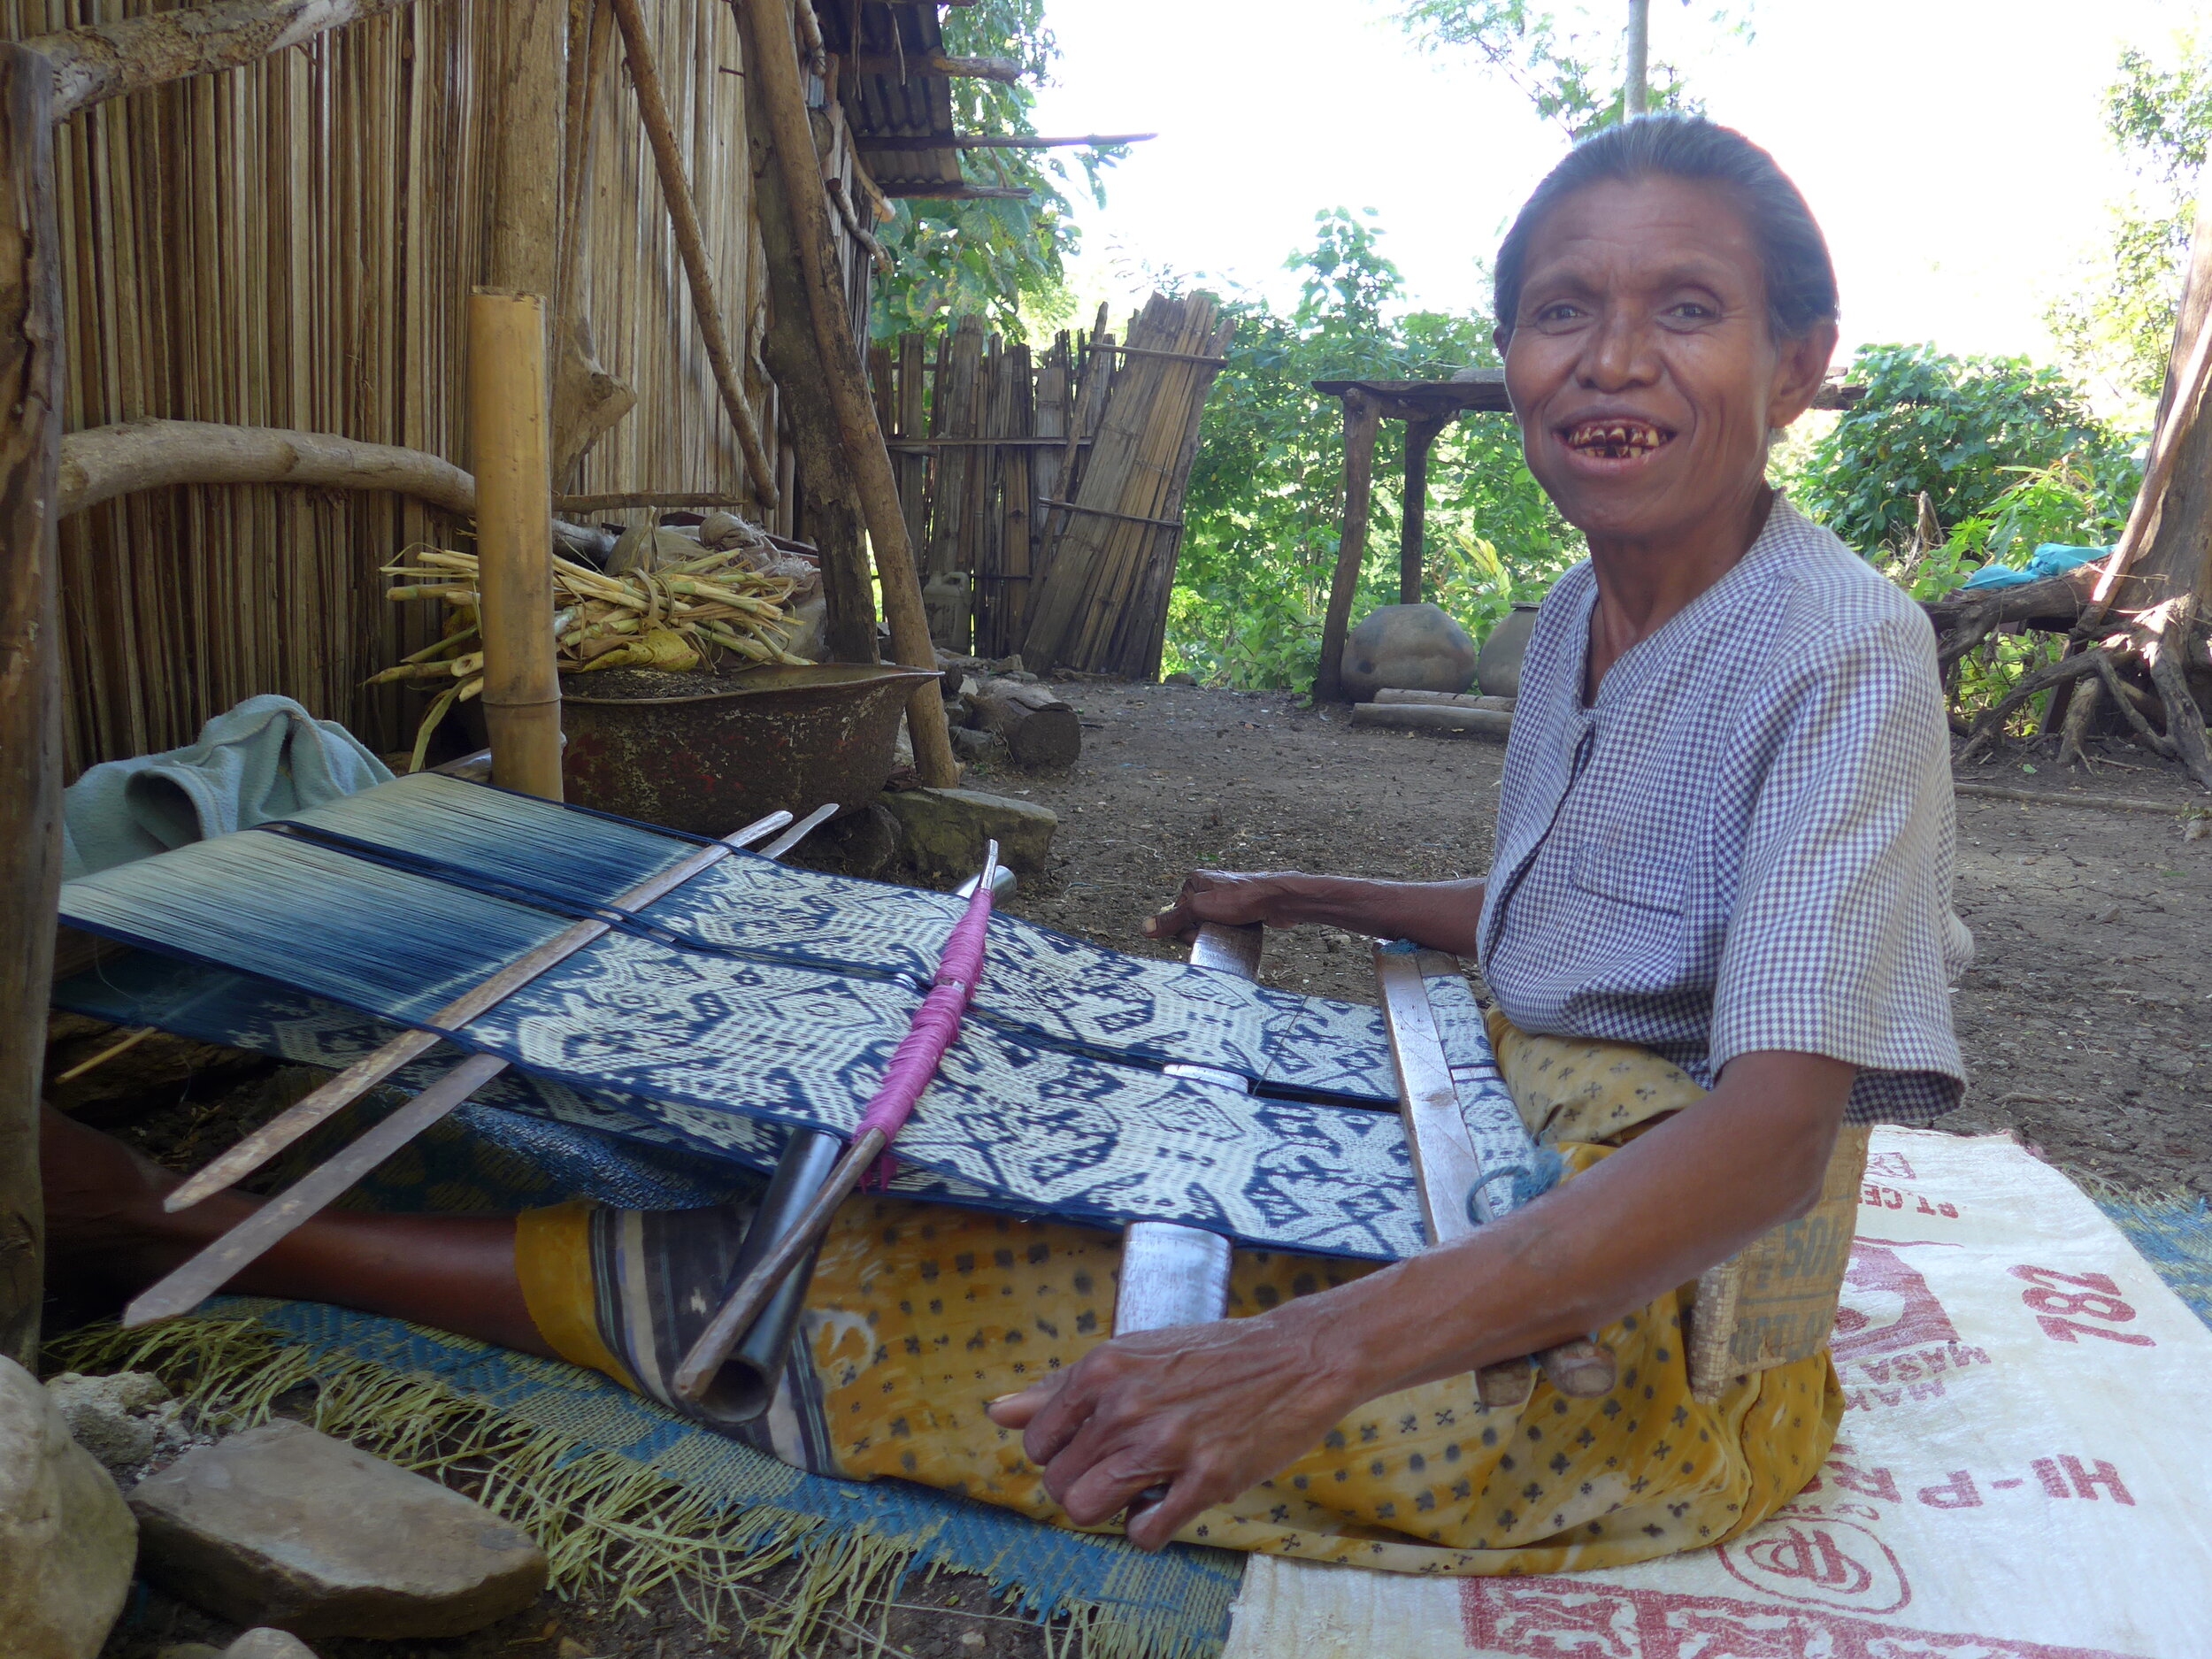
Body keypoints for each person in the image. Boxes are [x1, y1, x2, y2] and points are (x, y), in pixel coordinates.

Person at [46, 114, 1966, 1576]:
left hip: (1640, 1334)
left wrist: (1304, 1359)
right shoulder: (1570, 616)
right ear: (1511, 355)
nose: (1611, 361)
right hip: (1491, 1117)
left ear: (1796, 363)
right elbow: (1591, 922)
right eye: (1566, 311)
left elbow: (1768, 1129)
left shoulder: (1840, 652)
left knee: (895, 1263)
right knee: (937, 1078)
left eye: (1682, 313)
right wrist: (1300, 895)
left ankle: (207, 1226)